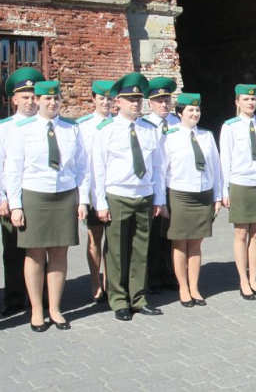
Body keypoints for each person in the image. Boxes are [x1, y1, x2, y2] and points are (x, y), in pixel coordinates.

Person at [5, 81, 90, 331]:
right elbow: (13, 169)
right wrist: (16, 205)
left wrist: (82, 199)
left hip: (64, 195)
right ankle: (36, 309)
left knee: (59, 253)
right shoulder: (22, 130)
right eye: (46, 99)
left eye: (56, 99)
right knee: (35, 254)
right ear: (38, 101)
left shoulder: (71, 129)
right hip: (35, 195)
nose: (52, 103)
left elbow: (81, 167)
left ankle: (55, 307)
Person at [92, 72, 167, 321]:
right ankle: (119, 299)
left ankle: (138, 297)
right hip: (118, 195)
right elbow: (98, 168)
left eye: (138, 99)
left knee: (140, 249)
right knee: (116, 250)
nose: (135, 103)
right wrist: (100, 203)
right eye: (130, 99)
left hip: (144, 195)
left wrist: (159, 199)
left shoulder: (150, 129)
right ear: (118, 102)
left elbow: (158, 166)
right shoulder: (106, 129)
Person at [162, 93, 222, 307]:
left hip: (203, 195)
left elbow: (216, 168)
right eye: (190, 110)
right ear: (180, 114)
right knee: (180, 242)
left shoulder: (207, 136)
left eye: (197, 110)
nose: (195, 114)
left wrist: (218, 195)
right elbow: (161, 171)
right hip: (180, 195)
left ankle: (194, 287)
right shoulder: (170, 136)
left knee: (196, 243)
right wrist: (161, 201)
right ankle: (183, 288)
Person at [219, 84, 256, 300]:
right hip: (240, 183)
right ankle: (243, 281)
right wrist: (224, 190)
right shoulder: (230, 127)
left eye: (253, 99)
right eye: (245, 99)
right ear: (237, 102)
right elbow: (225, 160)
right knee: (241, 233)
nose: (250, 103)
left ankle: (254, 279)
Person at [1, 66, 45, 317]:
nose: (30, 101)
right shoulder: (5, 127)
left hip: (40, 197)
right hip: (12, 198)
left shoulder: (45, 125)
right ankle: (15, 298)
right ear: (14, 99)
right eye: (24, 97)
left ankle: (41, 296)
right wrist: (2, 198)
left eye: (33, 97)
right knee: (14, 249)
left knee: (41, 248)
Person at [76, 79, 115, 303]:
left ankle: (110, 281)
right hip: (92, 191)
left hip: (114, 190)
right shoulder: (83, 126)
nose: (106, 102)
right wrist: (83, 198)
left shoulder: (119, 124)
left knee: (113, 240)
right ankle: (94, 281)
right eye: (102, 98)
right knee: (95, 238)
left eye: (110, 99)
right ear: (93, 99)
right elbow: (81, 163)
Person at [141, 77, 180, 294]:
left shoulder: (178, 122)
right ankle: (153, 276)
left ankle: (172, 274)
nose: (163, 104)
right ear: (150, 103)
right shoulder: (145, 125)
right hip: (154, 184)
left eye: (166, 99)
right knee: (154, 233)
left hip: (174, 184)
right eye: (159, 100)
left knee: (172, 232)